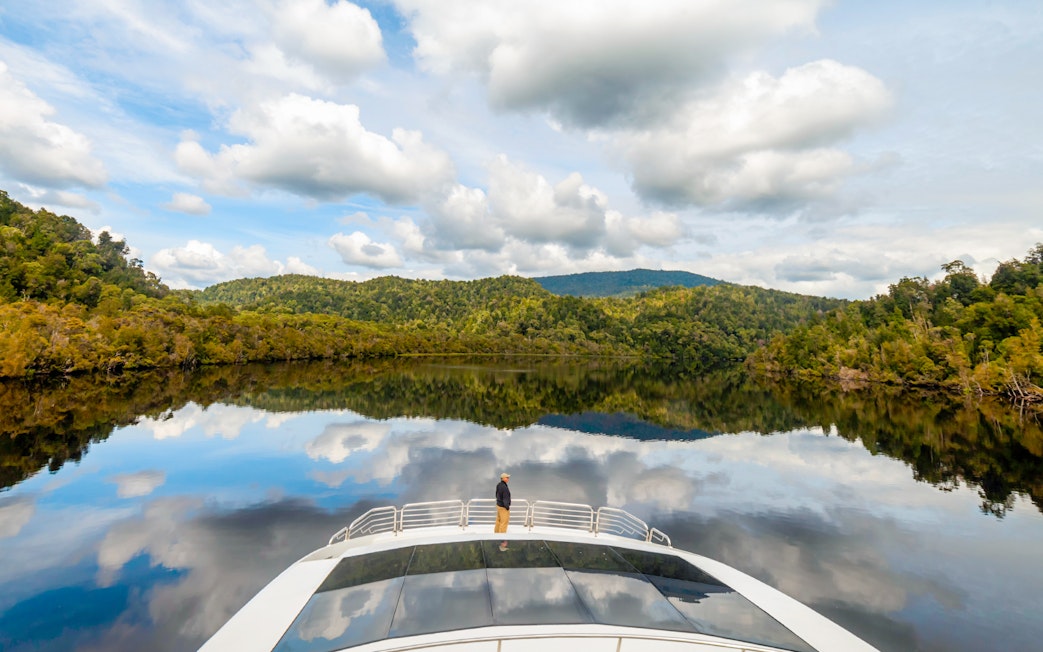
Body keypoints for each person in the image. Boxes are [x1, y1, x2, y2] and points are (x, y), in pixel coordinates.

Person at [494, 472, 511, 539]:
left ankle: (496, 533)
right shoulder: (504, 487)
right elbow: (505, 498)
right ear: (503, 478)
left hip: (498, 505)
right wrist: (507, 507)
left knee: (498, 520)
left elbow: (496, 494)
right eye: (507, 477)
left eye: (508, 477)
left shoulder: (499, 485)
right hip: (503, 507)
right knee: (504, 523)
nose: (508, 479)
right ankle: (501, 538)